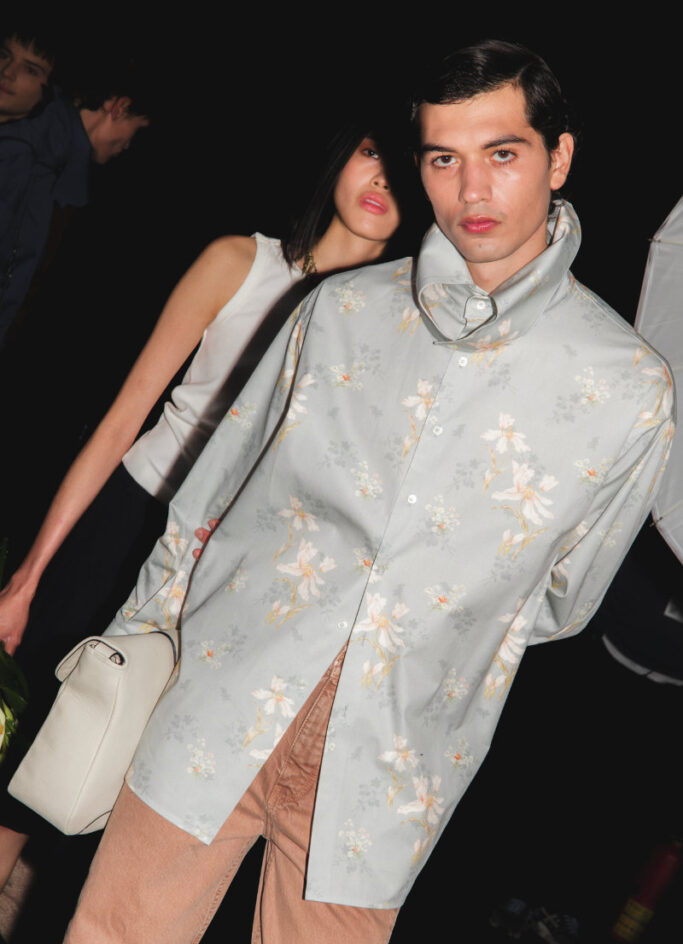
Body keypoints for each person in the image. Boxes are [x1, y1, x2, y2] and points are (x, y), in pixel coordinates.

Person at [38, 41, 673, 944]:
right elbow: (206, 497)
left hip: (393, 752)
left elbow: (564, 597)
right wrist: (136, 649)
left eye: (501, 154)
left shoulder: (625, 388)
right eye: (441, 157)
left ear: (559, 157)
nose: (470, 188)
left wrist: (424, 626)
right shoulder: (336, 312)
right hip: (218, 692)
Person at [0, 124, 420, 896]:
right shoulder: (241, 262)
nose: (380, 181)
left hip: (234, 568)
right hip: (133, 515)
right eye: (371, 153)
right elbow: (124, 418)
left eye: (404, 171)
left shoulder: (392, 335)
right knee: (45, 724)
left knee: (137, 758)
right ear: (342, 155)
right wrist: (28, 576)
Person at [0, 24, 150, 348]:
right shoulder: (32, 150)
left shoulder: (54, 152)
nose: (126, 147)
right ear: (120, 107)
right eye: (134, 134)